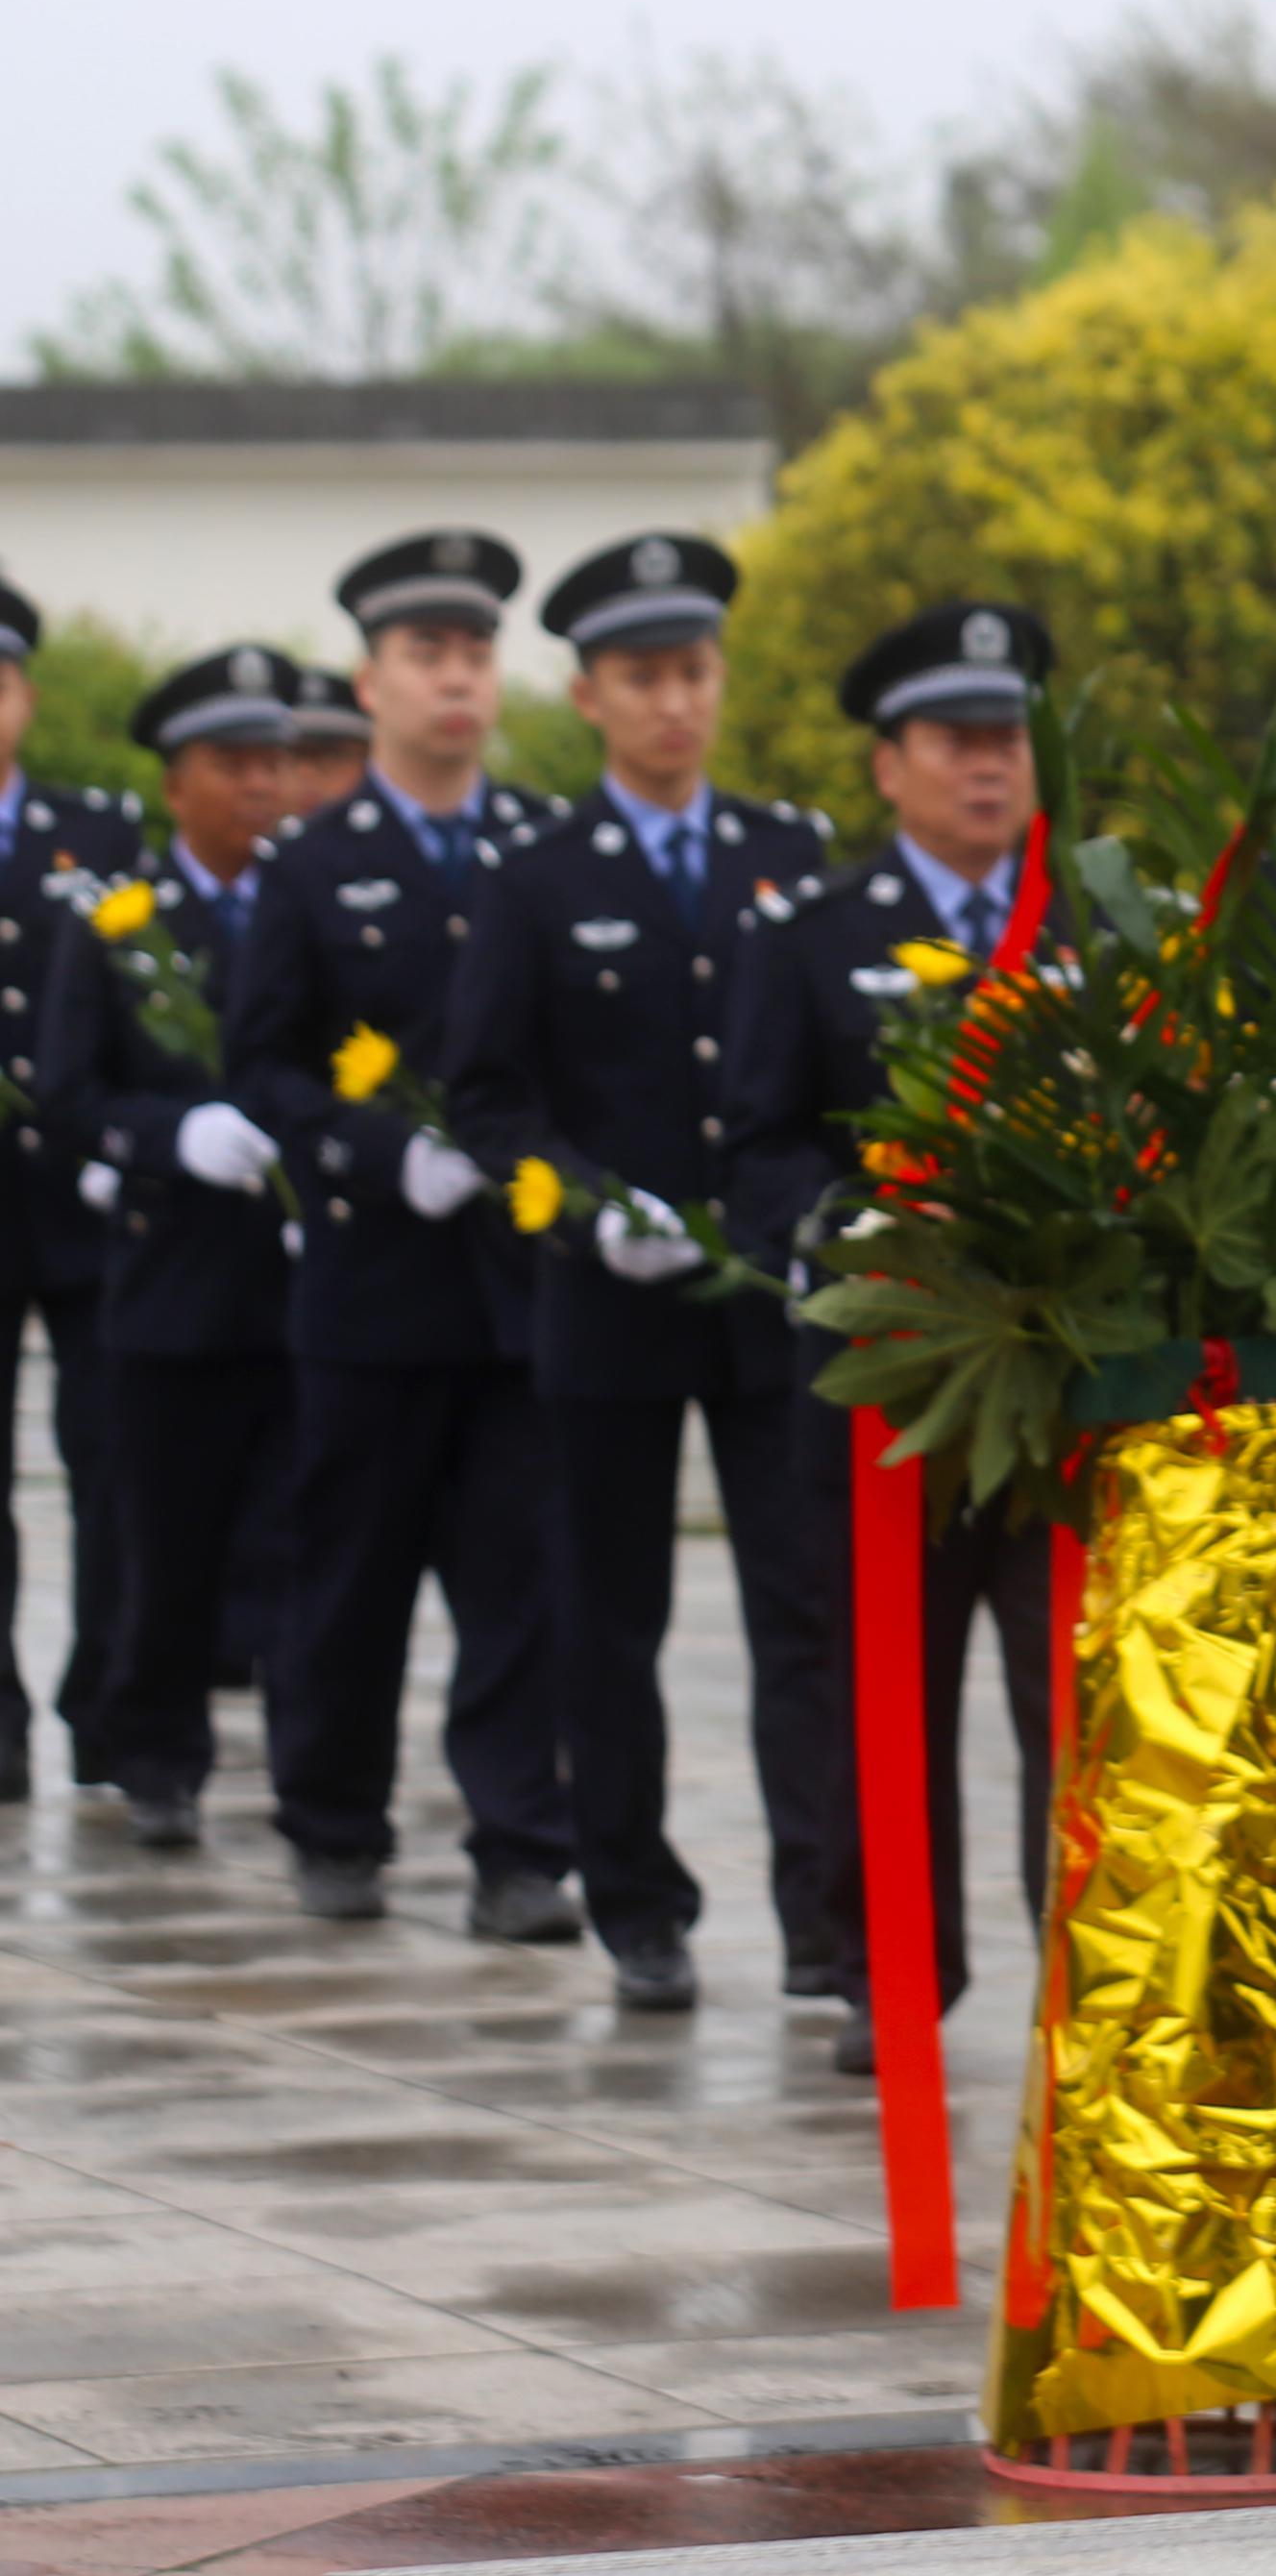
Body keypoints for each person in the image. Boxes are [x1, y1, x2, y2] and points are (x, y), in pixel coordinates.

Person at [448, 534, 835, 2013]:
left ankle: (824, 1912)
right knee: (608, 1616)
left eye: (693, 673)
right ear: (588, 696)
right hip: (606, 1304)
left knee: (803, 1613)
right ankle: (636, 1902)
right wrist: (585, 1211)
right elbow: (489, 1106)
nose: (674, 704)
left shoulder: (787, 857)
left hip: (768, 1303)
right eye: (642, 679)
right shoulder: (536, 878)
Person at [725, 600, 1065, 2065]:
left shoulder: (1095, 932)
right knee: (889, 1688)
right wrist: (842, 1226)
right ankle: (894, 1972)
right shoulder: (816, 936)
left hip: (1059, 1386)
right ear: (889, 764)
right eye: (955, 741)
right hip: (891, 1385)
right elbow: (757, 1146)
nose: (988, 766)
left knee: (1071, 1698)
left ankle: (1089, 1970)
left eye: (1009, 740)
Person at [229, 531, 573, 1930]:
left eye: (477, 653)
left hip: (516, 1278)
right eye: (427, 654)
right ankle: (332, 1822)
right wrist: (382, 1154)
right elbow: (264, 1064)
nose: (457, 679)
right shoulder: (313, 864)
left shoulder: (544, 847)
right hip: (374, 1278)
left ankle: (521, 1847)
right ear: (371, 682)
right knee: (350, 1571)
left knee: (520, 1578)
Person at [37, 646, 314, 1849]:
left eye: (274, 764)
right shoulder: (121, 922)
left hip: (306, 1276)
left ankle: (315, 1769)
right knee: (164, 1531)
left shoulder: (317, 904)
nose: (261, 786)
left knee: (307, 1542)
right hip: (174, 1276)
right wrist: (169, 1135)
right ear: (175, 783)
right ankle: (153, 1752)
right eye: (232, 764)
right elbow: (69, 1093)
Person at [0, 582, 146, 1802]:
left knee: (111, 1463)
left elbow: (140, 997)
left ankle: (108, 1707)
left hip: (83, 1195)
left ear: (25, 698)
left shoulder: (95, 834)